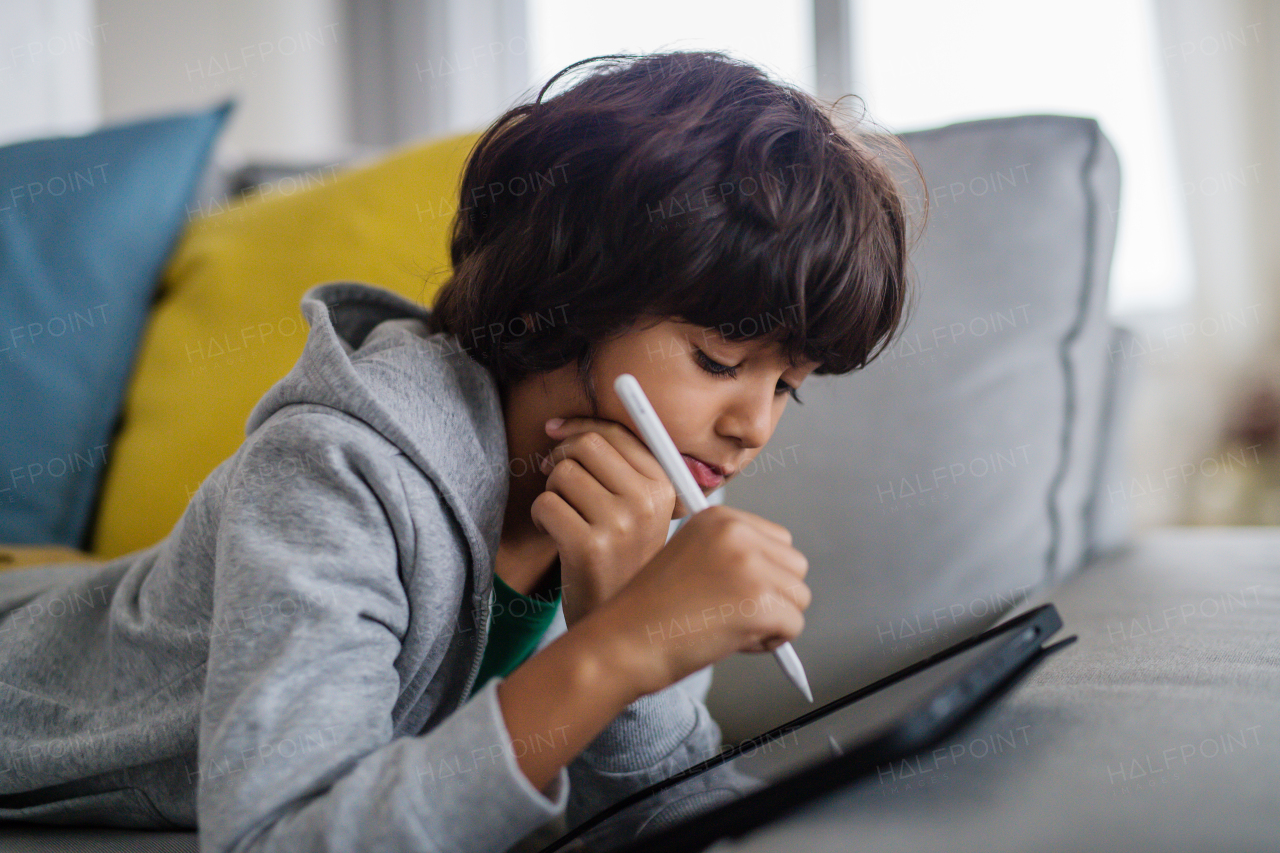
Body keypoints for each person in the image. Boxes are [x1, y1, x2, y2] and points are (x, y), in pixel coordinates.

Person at [0, 49, 916, 852]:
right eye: (721, 358)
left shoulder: (631, 508)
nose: (754, 424)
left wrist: (631, 626)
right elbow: (282, 835)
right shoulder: (333, 469)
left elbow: (658, 814)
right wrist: (616, 652)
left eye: (787, 385)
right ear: (575, 291)